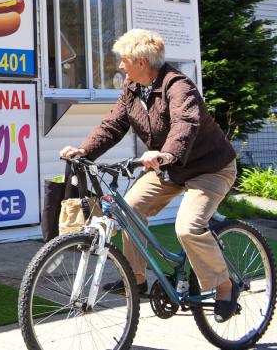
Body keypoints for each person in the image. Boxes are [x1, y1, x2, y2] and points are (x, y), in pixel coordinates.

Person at [59, 29, 239, 322]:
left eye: (123, 59)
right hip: (170, 169)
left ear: (141, 61)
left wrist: (166, 154)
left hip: (209, 167)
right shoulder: (132, 87)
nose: (119, 66)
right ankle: (137, 279)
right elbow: (113, 125)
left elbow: (185, 124)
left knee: (188, 227)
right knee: (129, 211)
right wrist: (83, 151)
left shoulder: (178, 86)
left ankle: (224, 285)